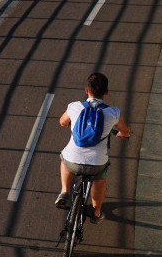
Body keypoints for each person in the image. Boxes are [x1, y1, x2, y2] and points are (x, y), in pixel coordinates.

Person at [56, 72, 131, 221]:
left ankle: (65, 191)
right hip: (96, 163)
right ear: (106, 92)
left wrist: (72, 122)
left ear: (86, 90)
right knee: (99, 180)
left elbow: (62, 122)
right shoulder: (114, 113)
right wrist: (123, 134)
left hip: (73, 161)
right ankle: (96, 212)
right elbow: (125, 130)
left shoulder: (74, 107)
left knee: (65, 160)